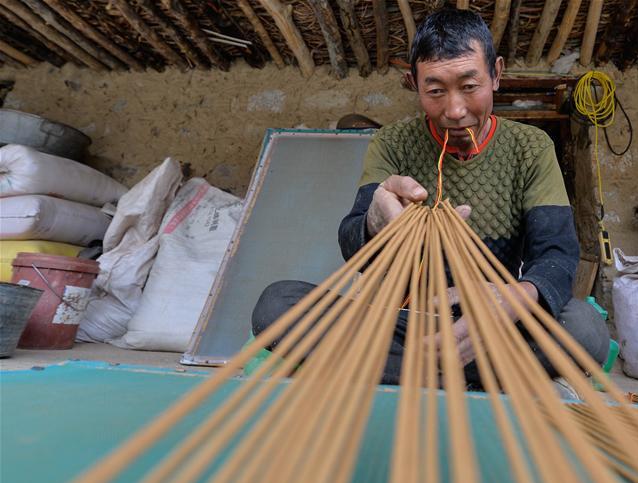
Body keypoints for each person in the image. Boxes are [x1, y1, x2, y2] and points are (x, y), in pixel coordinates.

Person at [252, 8, 609, 396]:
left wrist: (516, 299)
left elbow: (556, 253)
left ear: (496, 74)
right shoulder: (393, 144)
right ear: (414, 84)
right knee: (277, 306)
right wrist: (374, 221)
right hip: (400, 320)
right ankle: (488, 376)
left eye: (470, 86)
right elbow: (354, 249)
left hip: (494, 325)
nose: (455, 111)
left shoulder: (531, 148)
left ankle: (395, 372)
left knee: (584, 328)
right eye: (435, 91)